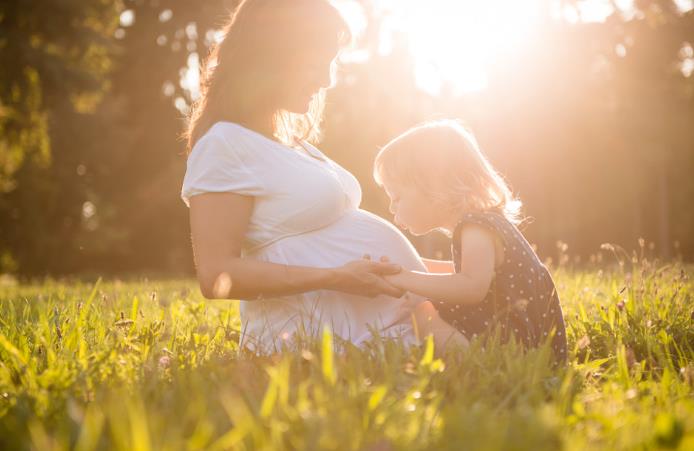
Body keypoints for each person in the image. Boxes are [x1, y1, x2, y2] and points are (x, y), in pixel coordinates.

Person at [179, 0, 463, 353]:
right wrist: (337, 278)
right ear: (274, 53)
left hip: (388, 329)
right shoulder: (224, 144)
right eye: (318, 62)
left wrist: (464, 272)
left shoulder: (293, 144)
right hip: (316, 345)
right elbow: (216, 275)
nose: (327, 79)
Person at [370, 120, 568, 361]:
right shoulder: (484, 222)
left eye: (397, 196)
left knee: (422, 314)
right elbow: (469, 274)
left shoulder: (475, 226)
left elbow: (471, 286)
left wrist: (405, 279)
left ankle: (472, 365)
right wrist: (409, 264)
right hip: (522, 344)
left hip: (508, 350)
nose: (391, 207)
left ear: (432, 185)